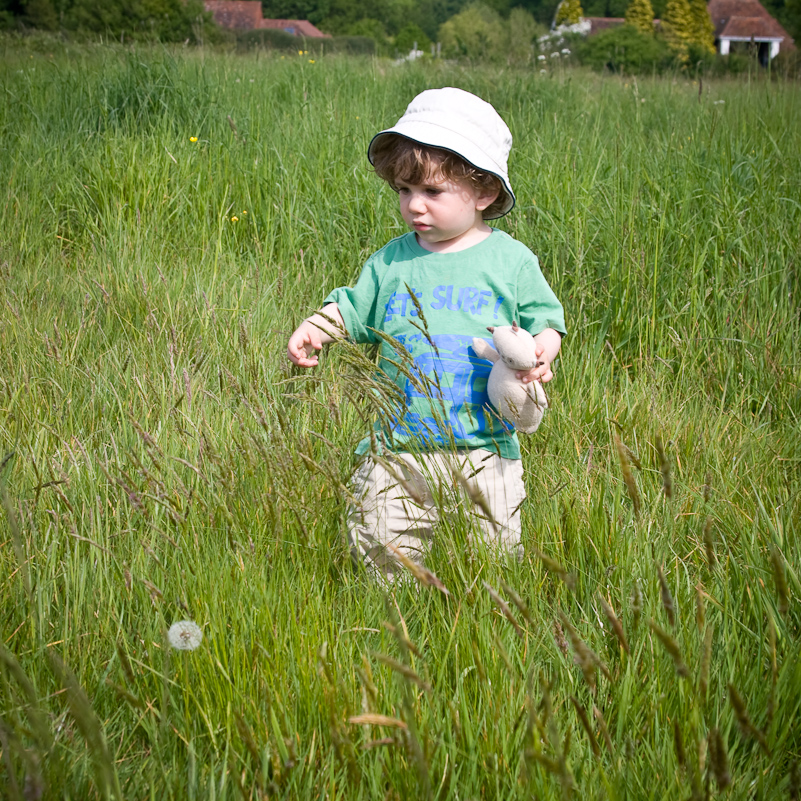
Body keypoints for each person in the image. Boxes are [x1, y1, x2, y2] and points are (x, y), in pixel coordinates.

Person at [286, 87, 566, 582]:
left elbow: (547, 321)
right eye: (403, 190)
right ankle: (390, 617)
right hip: (398, 445)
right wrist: (317, 328)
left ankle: (480, 620)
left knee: (493, 559)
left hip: (487, 445)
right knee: (382, 548)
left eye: (432, 192)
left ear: (484, 192)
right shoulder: (393, 261)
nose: (414, 204)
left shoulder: (511, 261)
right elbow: (353, 305)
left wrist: (542, 351)